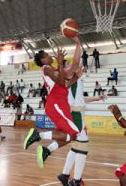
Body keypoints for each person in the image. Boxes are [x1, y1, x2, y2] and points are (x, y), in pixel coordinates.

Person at [23, 37, 82, 167]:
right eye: (48, 55)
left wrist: (76, 76)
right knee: (73, 133)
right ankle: (38, 134)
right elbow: (61, 82)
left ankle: (47, 150)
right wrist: (60, 63)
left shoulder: (53, 70)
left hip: (60, 104)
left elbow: (66, 81)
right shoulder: (46, 68)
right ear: (43, 60)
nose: (51, 56)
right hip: (56, 103)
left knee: (69, 136)